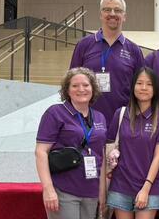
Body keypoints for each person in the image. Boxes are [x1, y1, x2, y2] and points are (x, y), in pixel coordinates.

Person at [35, 67, 107, 219]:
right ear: (67, 90)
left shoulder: (100, 117)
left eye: (86, 85)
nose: (81, 89)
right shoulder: (55, 113)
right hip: (64, 190)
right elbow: (41, 152)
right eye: (75, 86)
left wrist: (102, 193)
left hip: (91, 191)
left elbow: (102, 156)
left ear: (93, 88)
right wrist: (48, 189)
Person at [106, 67, 159, 219]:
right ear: (133, 87)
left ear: (155, 89)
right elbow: (109, 148)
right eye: (139, 83)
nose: (143, 88)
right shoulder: (121, 114)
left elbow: (158, 157)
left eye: (149, 84)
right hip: (121, 184)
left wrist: (146, 188)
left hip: (150, 186)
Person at [70, 0, 145, 126]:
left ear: (124, 16)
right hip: (86, 121)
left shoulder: (134, 50)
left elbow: (140, 89)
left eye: (117, 10)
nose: (112, 13)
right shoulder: (84, 45)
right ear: (100, 14)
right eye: (107, 9)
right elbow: (71, 82)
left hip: (123, 122)